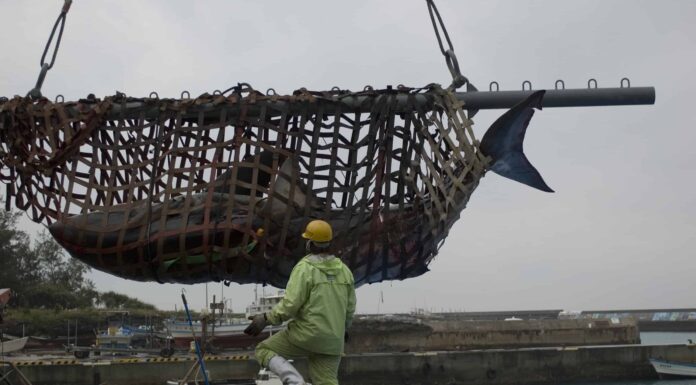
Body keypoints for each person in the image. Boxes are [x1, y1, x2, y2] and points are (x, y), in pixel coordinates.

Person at [244, 219, 356, 385]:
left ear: (310, 244)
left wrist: (266, 318)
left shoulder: (305, 268)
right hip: (333, 340)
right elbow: (349, 308)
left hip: (305, 336)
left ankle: (295, 381)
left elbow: (290, 305)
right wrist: (343, 329)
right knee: (327, 381)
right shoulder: (345, 271)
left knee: (263, 350)